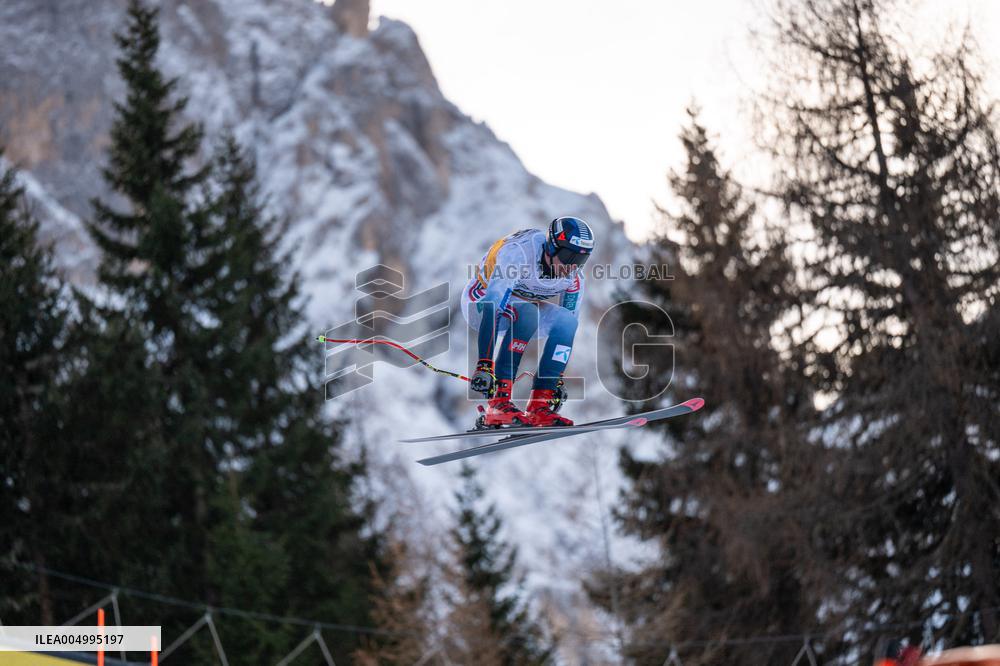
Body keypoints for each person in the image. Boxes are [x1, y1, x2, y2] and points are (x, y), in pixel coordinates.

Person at [461, 216, 594, 427]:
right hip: (480, 303)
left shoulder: (574, 278)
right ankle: (498, 402)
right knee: (528, 312)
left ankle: (539, 406)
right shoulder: (519, 254)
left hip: (521, 309)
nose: (572, 266)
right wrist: (484, 365)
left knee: (567, 322)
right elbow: (491, 307)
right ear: (551, 248)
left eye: (580, 261)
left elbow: (566, 329)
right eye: (569, 256)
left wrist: (556, 379)